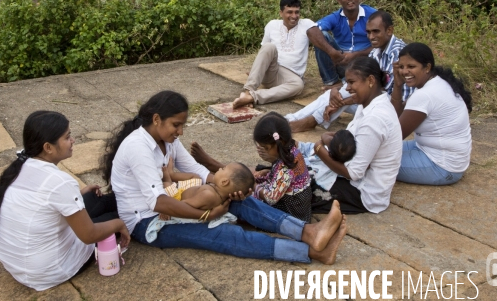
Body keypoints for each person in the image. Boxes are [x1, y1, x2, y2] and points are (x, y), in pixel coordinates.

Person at [104, 90, 347, 265]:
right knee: (222, 235)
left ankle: (309, 233)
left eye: (182, 125)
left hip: (169, 204)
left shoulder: (166, 140)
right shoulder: (138, 147)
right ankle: (312, 252)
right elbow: (158, 202)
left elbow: (200, 172)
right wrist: (206, 214)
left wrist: (226, 189)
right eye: (176, 125)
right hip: (147, 222)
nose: (180, 132)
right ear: (156, 119)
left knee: (240, 200)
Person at [0, 111, 129, 291]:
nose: (73, 140)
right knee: (116, 218)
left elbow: (44, 201)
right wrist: (119, 224)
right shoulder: (59, 182)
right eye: (67, 137)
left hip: (17, 264)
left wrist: (80, 193)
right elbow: (89, 235)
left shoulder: (22, 164)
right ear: (48, 147)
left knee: (92, 198)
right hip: (48, 270)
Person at [286, 10, 414, 132]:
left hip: (397, 109)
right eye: (368, 32)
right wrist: (339, 93)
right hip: (379, 102)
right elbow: (365, 83)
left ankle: (310, 122)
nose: (371, 37)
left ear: (389, 30)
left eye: (375, 32)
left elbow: (387, 95)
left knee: (343, 97)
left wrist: (343, 102)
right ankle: (291, 120)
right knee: (334, 94)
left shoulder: (398, 54)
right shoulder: (377, 51)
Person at [310, 57, 403, 214]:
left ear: (371, 80)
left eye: (352, 82)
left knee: (296, 192)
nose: (347, 88)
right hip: (355, 180)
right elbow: (351, 137)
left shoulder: (375, 118)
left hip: (363, 193)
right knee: (297, 172)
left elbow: (353, 173)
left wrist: (319, 148)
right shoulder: (368, 104)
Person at [392, 43, 472, 185]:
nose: (404, 72)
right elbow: (396, 115)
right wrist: (397, 85)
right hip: (431, 150)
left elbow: (393, 136)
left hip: (442, 167)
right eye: (402, 67)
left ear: (427, 67)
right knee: (372, 152)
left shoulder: (425, 95)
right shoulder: (437, 82)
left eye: (411, 66)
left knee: (374, 161)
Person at [232, 0, 316, 108]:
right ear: (281, 13)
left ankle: (252, 97)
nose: (294, 16)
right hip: (271, 71)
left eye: (297, 12)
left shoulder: (307, 24)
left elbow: (321, 37)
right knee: (269, 47)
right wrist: (255, 71)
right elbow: (264, 53)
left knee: (298, 86)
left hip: (291, 76)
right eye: (289, 12)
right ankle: (247, 91)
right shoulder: (272, 25)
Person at [308, 0, 376, 90]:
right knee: (321, 35)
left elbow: (384, 42)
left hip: (365, 63)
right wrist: (332, 52)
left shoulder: (373, 15)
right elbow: (311, 31)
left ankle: (344, 84)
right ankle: (331, 81)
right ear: (338, 0)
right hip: (340, 60)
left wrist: (356, 55)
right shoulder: (336, 17)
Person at [251, 112, 312, 222]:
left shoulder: (285, 168)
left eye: (266, 148)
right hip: (299, 205)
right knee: (255, 178)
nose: (263, 150)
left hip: (292, 213)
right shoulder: (292, 151)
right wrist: (268, 172)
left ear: (279, 142)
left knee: (248, 203)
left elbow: (271, 198)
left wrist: (253, 185)